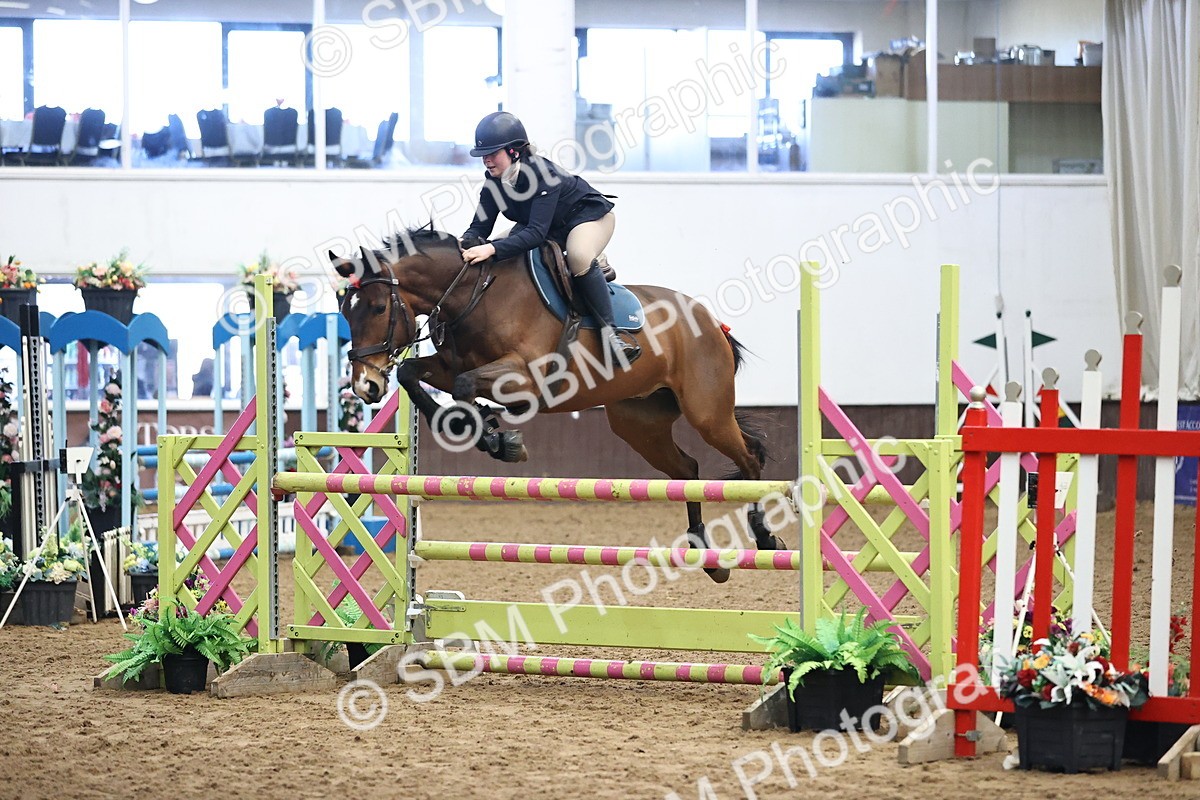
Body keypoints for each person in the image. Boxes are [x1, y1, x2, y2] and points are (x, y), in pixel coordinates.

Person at [460, 111, 640, 364]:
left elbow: (535, 234)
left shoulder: (542, 174)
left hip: (585, 218)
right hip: (546, 226)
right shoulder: (493, 183)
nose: (486, 161)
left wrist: (491, 249)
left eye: (492, 154)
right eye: (483, 156)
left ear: (514, 151)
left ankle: (612, 337)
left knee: (577, 256)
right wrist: (461, 245)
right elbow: (479, 228)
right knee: (495, 253)